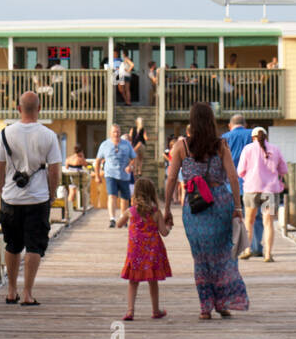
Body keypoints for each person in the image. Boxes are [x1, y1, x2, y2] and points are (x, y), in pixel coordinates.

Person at [163, 102, 249, 320]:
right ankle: (222, 304)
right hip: (220, 203)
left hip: (194, 206)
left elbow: (172, 178)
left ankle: (205, 307)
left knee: (200, 258)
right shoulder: (220, 144)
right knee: (222, 255)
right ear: (211, 121)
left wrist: (166, 208)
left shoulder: (181, 146)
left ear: (192, 121)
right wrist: (237, 206)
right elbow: (232, 177)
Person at [0, 91, 63, 306]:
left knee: (11, 245)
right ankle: (27, 293)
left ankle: (11, 291)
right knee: (35, 246)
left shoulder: (5, 134)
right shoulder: (49, 135)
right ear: (39, 109)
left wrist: (2, 190)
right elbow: (54, 170)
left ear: (18, 109)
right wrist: (52, 194)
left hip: (11, 199)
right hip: (38, 199)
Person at [117, 177, 171, 320]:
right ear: (152, 194)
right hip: (152, 252)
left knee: (133, 281)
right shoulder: (156, 212)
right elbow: (164, 233)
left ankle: (130, 311)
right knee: (152, 281)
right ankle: (155, 310)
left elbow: (118, 224)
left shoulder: (131, 211)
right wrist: (169, 226)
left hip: (135, 252)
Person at [237, 127, 287, 263]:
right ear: (266, 136)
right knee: (268, 223)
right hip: (270, 191)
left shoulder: (247, 149)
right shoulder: (275, 149)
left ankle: (247, 250)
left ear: (253, 137)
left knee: (249, 221)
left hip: (252, 189)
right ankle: (268, 254)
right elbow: (284, 169)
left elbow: (240, 171)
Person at [221, 115, 263, 257]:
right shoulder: (252, 135)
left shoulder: (224, 138)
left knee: (231, 217)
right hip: (251, 183)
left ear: (229, 125)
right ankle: (256, 247)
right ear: (245, 124)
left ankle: (234, 246)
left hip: (228, 184)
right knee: (255, 217)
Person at [95, 124, 141, 227]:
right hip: (110, 174)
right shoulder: (104, 145)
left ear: (120, 132)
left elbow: (134, 158)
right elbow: (98, 161)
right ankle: (112, 219)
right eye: (114, 132)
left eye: (118, 132)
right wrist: (97, 175)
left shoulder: (126, 144)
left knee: (125, 198)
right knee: (112, 195)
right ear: (110, 133)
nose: (116, 134)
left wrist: (130, 166)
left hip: (124, 175)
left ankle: (122, 218)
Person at [64, 144, 87, 209]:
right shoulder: (80, 159)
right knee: (74, 193)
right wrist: (83, 156)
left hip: (70, 177)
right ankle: (70, 208)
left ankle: (69, 208)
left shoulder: (68, 159)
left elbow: (66, 167)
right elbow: (85, 165)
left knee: (71, 192)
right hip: (78, 178)